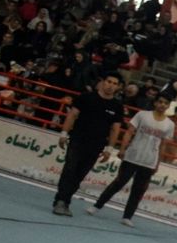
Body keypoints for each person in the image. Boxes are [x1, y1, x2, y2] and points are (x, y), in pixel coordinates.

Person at [86, 95, 177, 226]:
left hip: (148, 161)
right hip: (132, 156)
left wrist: (158, 163)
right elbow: (129, 132)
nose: (162, 105)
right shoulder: (142, 115)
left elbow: (163, 145)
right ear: (155, 103)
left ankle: (127, 216)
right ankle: (97, 206)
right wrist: (122, 149)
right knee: (118, 183)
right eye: (160, 102)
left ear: (168, 106)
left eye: (165, 103)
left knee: (138, 190)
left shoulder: (170, 124)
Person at [52, 73, 125, 216]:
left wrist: (109, 149)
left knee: (79, 175)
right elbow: (72, 115)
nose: (111, 85)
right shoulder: (86, 97)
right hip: (77, 139)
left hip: (96, 145)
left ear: (118, 87)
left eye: (115, 83)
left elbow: (115, 128)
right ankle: (61, 201)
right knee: (69, 169)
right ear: (103, 82)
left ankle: (64, 200)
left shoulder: (117, 106)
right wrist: (63, 134)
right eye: (109, 81)